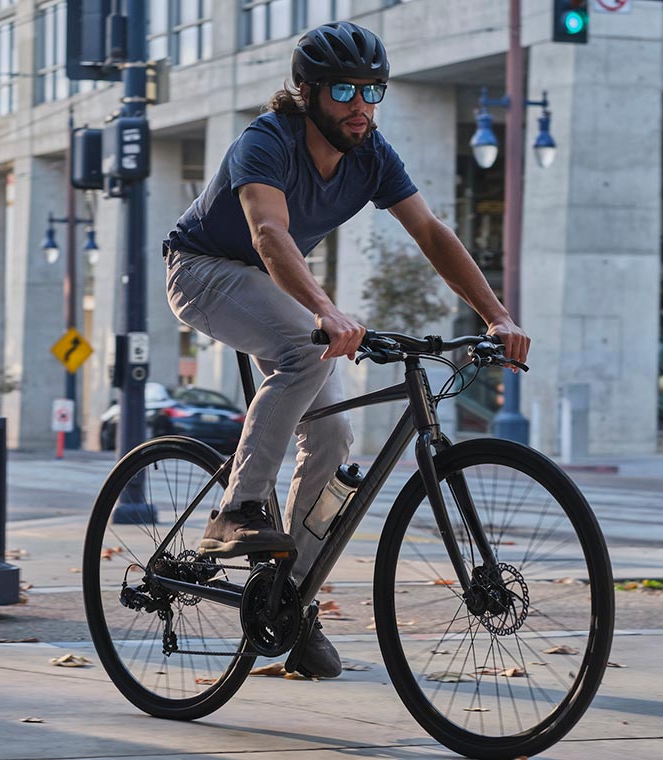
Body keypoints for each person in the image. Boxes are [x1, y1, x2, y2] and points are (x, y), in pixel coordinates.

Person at [162, 21, 530, 678]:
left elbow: (431, 231)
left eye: (372, 90)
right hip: (203, 269)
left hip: (277, 284)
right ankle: (237, 512)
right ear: (306, 91)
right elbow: (269, 231)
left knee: (333, 438)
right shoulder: (265, 140)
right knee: (308, 352)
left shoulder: (372, 154)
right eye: (342, 90)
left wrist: (496, 314)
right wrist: (325, 309)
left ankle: (288, 602)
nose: (360, 106)